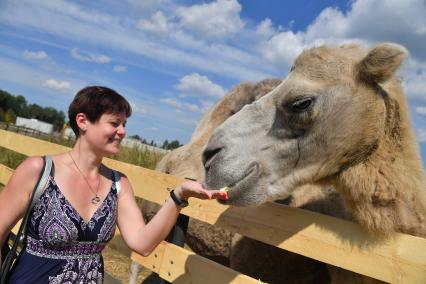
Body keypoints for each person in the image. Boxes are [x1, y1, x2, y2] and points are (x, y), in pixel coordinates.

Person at [0, 86, 226, 283]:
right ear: (83, 121)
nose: (122, 132)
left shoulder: (119, 184)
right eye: (114, 123)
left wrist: (178, 197)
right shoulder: (38, 171)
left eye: (124, 124)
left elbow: (142, 244)